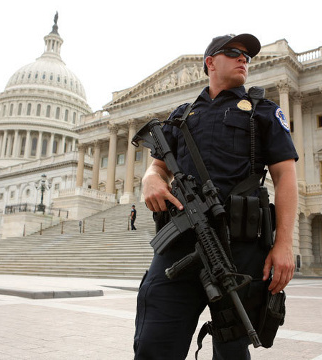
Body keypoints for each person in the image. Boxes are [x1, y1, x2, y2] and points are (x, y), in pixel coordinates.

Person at [133, 33, 298, 360]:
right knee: (154, 342)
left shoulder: (261, 111)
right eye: (235, 53)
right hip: (179, 245)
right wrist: (151, 179)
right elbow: (157, 167)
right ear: (210, 62)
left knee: (233, 348)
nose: (244, 60)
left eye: (248, 57)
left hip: (240, 248)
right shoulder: (181, 115)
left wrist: (284, 243)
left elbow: (285, 177)